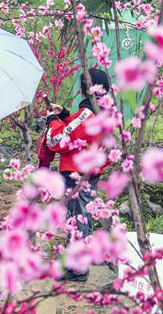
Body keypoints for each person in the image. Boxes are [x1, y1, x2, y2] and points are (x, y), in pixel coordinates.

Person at [37, 68, 112, 282]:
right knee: (81, 215)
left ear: (84, 89)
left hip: (77, 174)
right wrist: (63, 114)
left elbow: (58, 140)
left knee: (78, 217)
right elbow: (77, 128)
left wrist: (52, 120)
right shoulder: (102, 111)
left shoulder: (87, 114)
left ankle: (79, 268)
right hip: (90, 172)